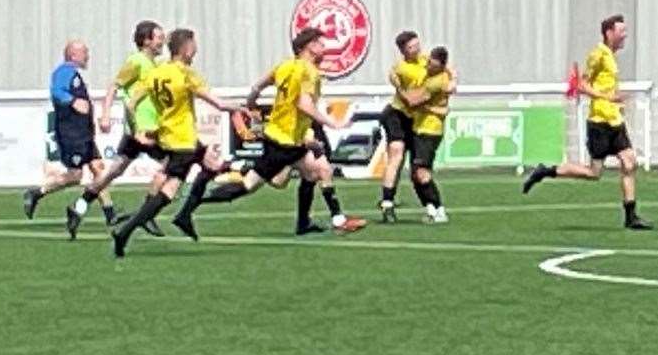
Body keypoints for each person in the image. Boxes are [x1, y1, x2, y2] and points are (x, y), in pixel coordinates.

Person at [174, 27, 368, 244]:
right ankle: (191, 203)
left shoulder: (285, 65)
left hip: (286, 137)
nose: (324, 49)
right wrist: (333, 122)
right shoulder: (308, 71)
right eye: (321, 44)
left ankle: (317, 222)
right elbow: (304, 104)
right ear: (310, 47)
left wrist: (252, 99)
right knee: (249, 186)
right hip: (283, 142)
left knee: (318, 171)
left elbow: (260, 84)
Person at [108, 28, 245, 256]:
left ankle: (184, 216)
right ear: (186, 48)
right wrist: (239, 107)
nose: (197, 50)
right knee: (169, 192)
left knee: (212, 164)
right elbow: (218, 104)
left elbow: (131, 104)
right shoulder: (186, 74)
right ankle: (126, 231)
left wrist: (137, 130)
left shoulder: (157, 72)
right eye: (194, 45)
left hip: (169, 136)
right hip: (184, 141)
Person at [521, 14, 654, 230]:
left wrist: (615, 101)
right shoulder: (598, 55)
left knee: (629, 162)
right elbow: (581, 85)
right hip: (599, 121)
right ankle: (546, 171)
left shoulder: (611, 56)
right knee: (594, 173)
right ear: (609, 33)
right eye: (621, 31)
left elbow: (604, 85)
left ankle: (631, 216)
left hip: (614, 120)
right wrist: (606, 98)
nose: (625, 35)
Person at [79, 21, 168, 239]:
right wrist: (106, 114)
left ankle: (78, 207)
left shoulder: (154, 64)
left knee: (115, 170)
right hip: (141, 129)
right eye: (158, 37)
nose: (162, 41)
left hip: (146, 127)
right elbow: (114, 86)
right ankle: (146, 215)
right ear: (146, 40)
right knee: (170, 164)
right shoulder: (136, 61)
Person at [20, 40, 114, 238]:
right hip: (72, 134)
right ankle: (37, 192)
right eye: (84, 52)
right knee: (75, 175)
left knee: (99, 169)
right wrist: (73, 101)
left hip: (83, 133)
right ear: (73, 55)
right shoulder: (64, 71)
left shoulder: (73, 74)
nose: (88, 56)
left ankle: (109, 213)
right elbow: (56, 91)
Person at [376, 30, 430, 223]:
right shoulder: (400, 69)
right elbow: (408, 100)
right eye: (411, 47)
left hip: (416, 120)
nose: (416, 49)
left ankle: (431, 205)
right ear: (403, 51)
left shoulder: (427, 62)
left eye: (417, 45)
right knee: (396, 154)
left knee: (417, 164)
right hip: (397, 115)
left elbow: (447, 71)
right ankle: (387, 203)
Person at [408, 46, 455, 224]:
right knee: (415, 173)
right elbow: (452, 69)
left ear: (440, 66)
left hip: (430, 130)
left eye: (432, 64)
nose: (428, 65)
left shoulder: (437, 83)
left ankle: (439, 209)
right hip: (419, 127)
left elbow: (413, 101)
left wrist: (399, 85)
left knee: (421, 172)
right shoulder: (436, 70)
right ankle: (430, 209)